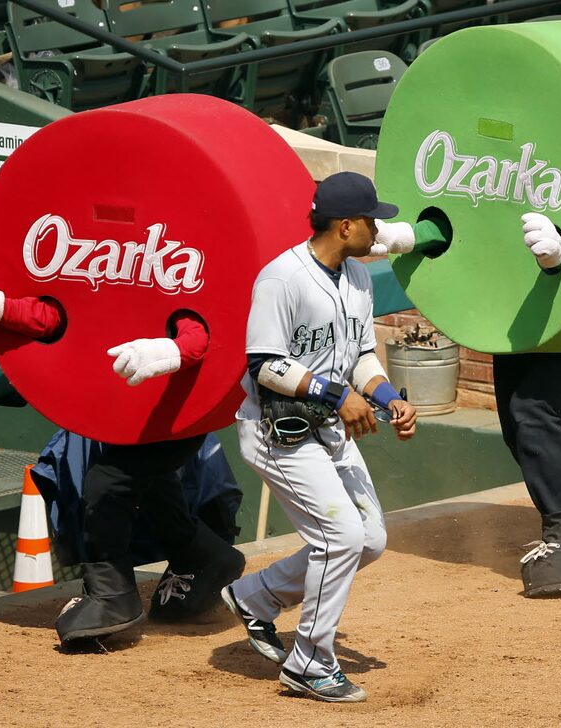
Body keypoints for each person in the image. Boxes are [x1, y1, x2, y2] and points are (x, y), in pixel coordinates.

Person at [0, 288, 245, 644]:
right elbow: (55, 317)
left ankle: (112, 594)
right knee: (152, 484)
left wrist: (168, 349)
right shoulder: (99, 271)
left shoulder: (171, 275)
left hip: (172, 413)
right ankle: (203, 558)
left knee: (106, 482)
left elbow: (197, 327)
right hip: (118, 409)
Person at [220, 171, 417, 703]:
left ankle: (255, 596)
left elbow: (363, 358)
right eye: (372, 220)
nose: (379, 229)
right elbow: (263, 363)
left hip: (327, 428)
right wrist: (336, 396)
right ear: (345, 224)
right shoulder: (281, 278)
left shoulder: (358, 277)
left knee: (369, 540)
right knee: (341, 539)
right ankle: (309, 663)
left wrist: (386, 397)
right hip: (276, 430)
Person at [371, 212, 561, 597]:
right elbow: (462, 213)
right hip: (514, 310)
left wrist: (560, 254)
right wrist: (411, 236)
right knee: (515, 426)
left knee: (534, 414)